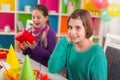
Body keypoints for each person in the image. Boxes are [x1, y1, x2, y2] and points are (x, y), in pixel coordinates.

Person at [48, 9, 107, 80]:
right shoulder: (69, 46)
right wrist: (63, 41)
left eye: (78, 28)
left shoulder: (96, 53)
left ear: (87, 28)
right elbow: (52, 68)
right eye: (70, 27)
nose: (72, 32)